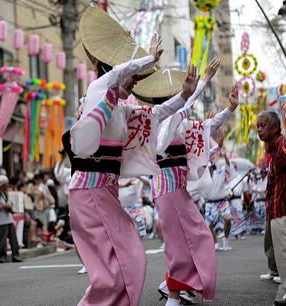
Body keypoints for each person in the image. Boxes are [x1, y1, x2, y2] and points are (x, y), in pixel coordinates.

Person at [66, 4, 205, 305]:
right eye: (134, 78)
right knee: (118, 267)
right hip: (89, 190)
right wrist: (147, 59)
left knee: (126, 262)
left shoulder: (119, 107)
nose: (134, 83)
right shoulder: (98, 90)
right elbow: (117, 72)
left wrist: (184, 94)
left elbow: (157, 114)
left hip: (102, 190)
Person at [137, 59, 239, 305]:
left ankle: (172, 286)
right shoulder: (159, 120)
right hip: (167, 189)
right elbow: (184, 106)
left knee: (193, 239)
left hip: (176, 190)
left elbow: (206, 126)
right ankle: (173, 294)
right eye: (178, 94)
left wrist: (230, 109)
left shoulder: (178, 122)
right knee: (182, 243)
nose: (183, 96)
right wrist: (202, 82)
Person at [256, 110, 286, 306]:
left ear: (275, 127)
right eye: (258, 126)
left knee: (283, 253)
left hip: (282, 209)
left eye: (263, 126)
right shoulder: (272, 148)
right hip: (276, 208)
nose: (259, 130)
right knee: (281, 253)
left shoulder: (282, 147)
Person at [205, 144, 235, 251]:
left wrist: (224, 155)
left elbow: (228, 166)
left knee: (227, 219)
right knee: (208, 225)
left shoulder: (220, 173)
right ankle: (215, 242)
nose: (207, 169)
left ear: (213, 167)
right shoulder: (203, 177)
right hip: (209, 203)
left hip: (221, 202)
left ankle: (225, 241)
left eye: (209, 167)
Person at [0, 175, 21, 263]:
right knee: (2, 239)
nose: (7, 186)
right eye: (6, 184)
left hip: (8, 219)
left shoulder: (4, 194)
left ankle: (15, 255)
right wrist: (4, 206)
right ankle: (1, 257)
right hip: (0, 221)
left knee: (13, 239)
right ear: (3, 185)